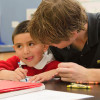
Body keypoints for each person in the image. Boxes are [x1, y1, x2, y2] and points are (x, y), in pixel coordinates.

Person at [28, 0, 100, 83]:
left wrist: (88, 74)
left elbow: (83, 74)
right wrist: (55, 72)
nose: (48, 45)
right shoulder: (57, 37)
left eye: (52, 42)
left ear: (72, 34)